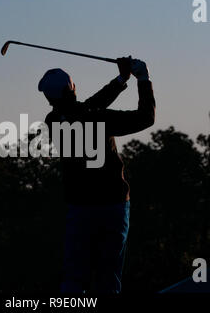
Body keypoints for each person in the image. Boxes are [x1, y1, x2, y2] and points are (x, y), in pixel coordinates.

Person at [39, 57, 156, 293]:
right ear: (72, 89)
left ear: (50, 98)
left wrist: (121, 79)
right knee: (108, 279)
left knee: (74, 278)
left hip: (80, 208)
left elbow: (90, 105)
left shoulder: (53, 121)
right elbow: (146, 117)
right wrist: (142, 79)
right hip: (113, 205)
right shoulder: (98, 117)